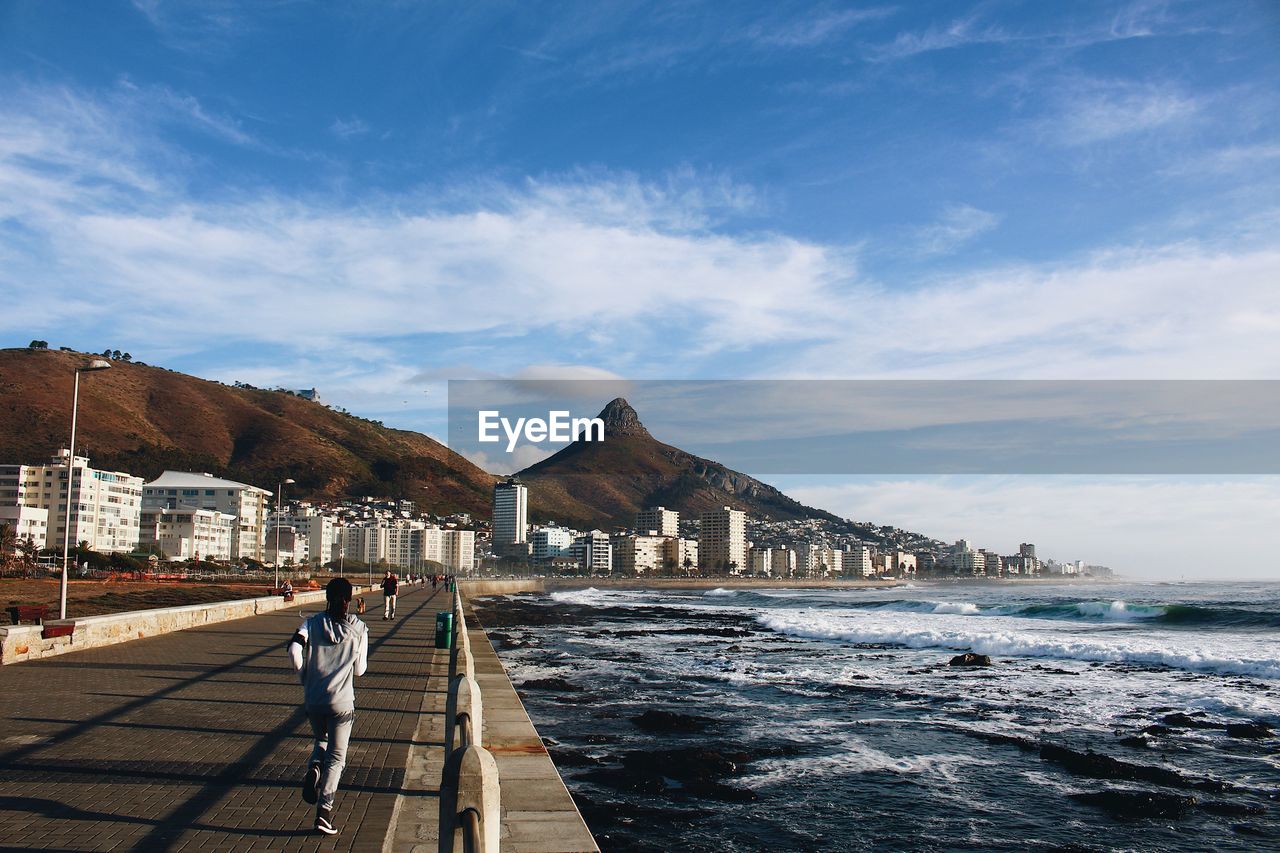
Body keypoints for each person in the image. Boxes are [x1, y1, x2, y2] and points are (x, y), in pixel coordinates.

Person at [287, 577, 368, 836]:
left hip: (314, 700)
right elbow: (360, 671)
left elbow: (294, 651)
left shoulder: (310, 623)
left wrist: (304, 676)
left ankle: (314, 769)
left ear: (327, 597)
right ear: (350, 599)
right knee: (337, 757)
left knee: (321, 740)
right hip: (341, 702)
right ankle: (324, 812)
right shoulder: (359, 628)